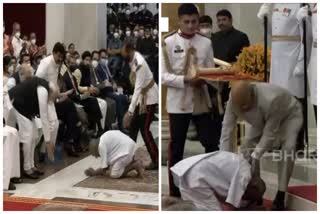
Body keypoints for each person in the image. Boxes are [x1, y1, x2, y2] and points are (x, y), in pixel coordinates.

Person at [220, 81, 303, 210]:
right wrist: (223, 157)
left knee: (288, 148)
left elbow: (269, 134)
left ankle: (281, 194)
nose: (243, 110)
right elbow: (227, 128)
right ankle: (255, 190)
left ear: (252, 95)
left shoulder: (272, 98)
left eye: (246, 106)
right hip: (262, 118)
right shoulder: (233, 99)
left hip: (289, 115)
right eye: (240, 108)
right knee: (246, 148)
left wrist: (257, 154)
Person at [162, 3, 217, 197]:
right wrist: (186, 80)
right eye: (187, 22)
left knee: (210, 143)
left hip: (201, 99)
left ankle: (211, 182)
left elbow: (211, 72)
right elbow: (162, 76)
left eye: (195, 21)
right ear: (179, 21)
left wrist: (205, 80)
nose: (191, 25)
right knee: (177, 146)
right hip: (178, 101)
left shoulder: (206, 43)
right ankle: (175, 188)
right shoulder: (167, 42)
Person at [257, 3, 312, 153]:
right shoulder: (275, 4)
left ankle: (297, 142)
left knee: (295, 103)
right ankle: (280, 141)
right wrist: (265, 19)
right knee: (277, 103)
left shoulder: (299, 4)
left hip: (292, 59)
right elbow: (273, 34)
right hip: (277, 60)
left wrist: (301, 62)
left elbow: (307, 37)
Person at [171, 151, 266, 210]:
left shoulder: (243, 167)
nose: (245, 198)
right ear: (254, 187)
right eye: (250, 197)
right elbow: (230, 207)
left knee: (193, 207)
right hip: (197, 177)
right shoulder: (244, 177)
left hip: (185, 170)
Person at [7, 73, 59, 179]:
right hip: (14, 102)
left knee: (35, 135)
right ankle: (27, 168)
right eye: (53, 98)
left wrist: (48, 140)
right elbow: (44, 118)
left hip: (25, 107)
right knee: (28, 135)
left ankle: (32, 165)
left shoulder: (47, 88)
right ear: (51, 92)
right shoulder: (43, 91)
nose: (52, 101)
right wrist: (48, 142)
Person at [122, 41, 159, 170]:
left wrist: (130, 111)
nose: (122, 53)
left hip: (149, 99)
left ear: (130, 50)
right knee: (133, 128)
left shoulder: (139, 63)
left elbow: (138, 88)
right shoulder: (133, 59)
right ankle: (128, 158)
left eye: (124, 51)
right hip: (142, 99)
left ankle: (156, 159)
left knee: (144, 129)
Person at [35, 42, 66, 150]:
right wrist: (50, 86)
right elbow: (37, 79)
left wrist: (56, 92)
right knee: (49, 125)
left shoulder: (58, 64)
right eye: (58, 56)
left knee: (55, 125)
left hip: (51, 99)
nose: (60, 59)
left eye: (62, 57)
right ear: (53, 53)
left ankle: (44, 150)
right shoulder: (46, 62)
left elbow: (53, 81)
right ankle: (41, 151)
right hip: (41, 97)